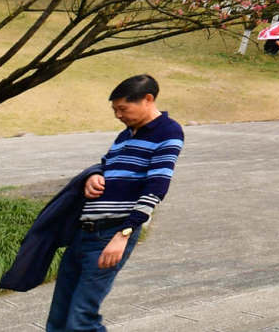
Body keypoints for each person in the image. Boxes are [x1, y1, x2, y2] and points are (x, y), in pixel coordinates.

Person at [47, 75, 183, 332]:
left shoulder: (169, 131)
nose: (118, 115)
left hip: (111, 233)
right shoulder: (125, 134)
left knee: (81, 319)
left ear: (148, 99)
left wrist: (124, 233)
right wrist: (94, 175)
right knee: (59, 317)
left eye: (123, 109)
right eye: (115, 110)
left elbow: (157, 186)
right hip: (83, 231)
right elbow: (106, 163)